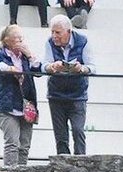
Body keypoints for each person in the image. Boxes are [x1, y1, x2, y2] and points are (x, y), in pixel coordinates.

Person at [36, 15, 95, 156]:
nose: (54, 36)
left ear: (68, 31)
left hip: (78, 95)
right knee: (60, 136)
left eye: (58, 33)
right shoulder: (49, 43)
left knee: (78, 131)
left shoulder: (83, 41)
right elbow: (44, 66)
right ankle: (63, 166)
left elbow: (92, 67)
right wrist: (52, 67)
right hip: (56, 95)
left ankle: (81, 163)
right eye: (52, 32)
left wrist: (81, 69)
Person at [0, 25, 39, 168]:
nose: (21, 42)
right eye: (17, 39)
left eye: (22, 39)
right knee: (12, 143)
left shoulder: (25, 57)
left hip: (27, 105)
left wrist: (30, 54)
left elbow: (38, 70)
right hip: (7, 106)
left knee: (24, 145)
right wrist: (11, 69)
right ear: (7, 41)